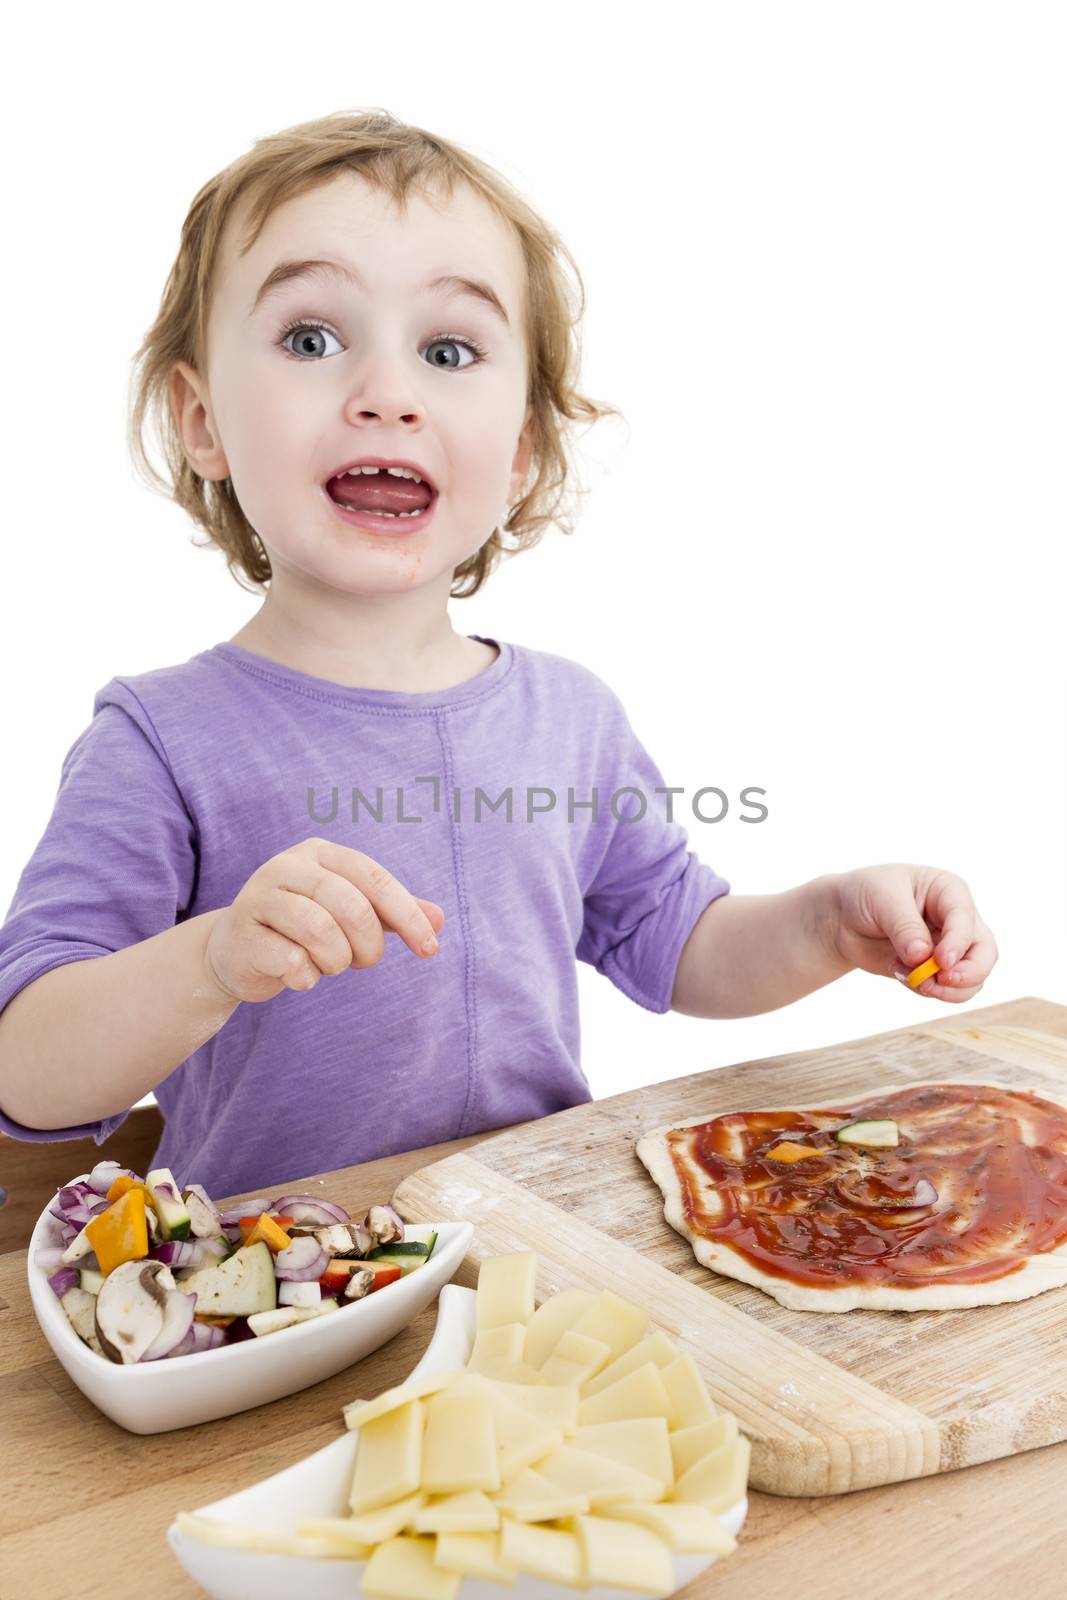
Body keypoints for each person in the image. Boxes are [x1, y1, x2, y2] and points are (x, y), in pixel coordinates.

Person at [0, 110, 997, 1197]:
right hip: (284, 1308)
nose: (387, 392)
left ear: (520, 449)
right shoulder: (157, 740)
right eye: (309, 339)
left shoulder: (569, 717)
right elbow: (28, 1069)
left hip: (541, 1261)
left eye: (447, 350)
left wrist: (824, 922)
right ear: (202, 421)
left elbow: (678, 945)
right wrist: (210, 961)